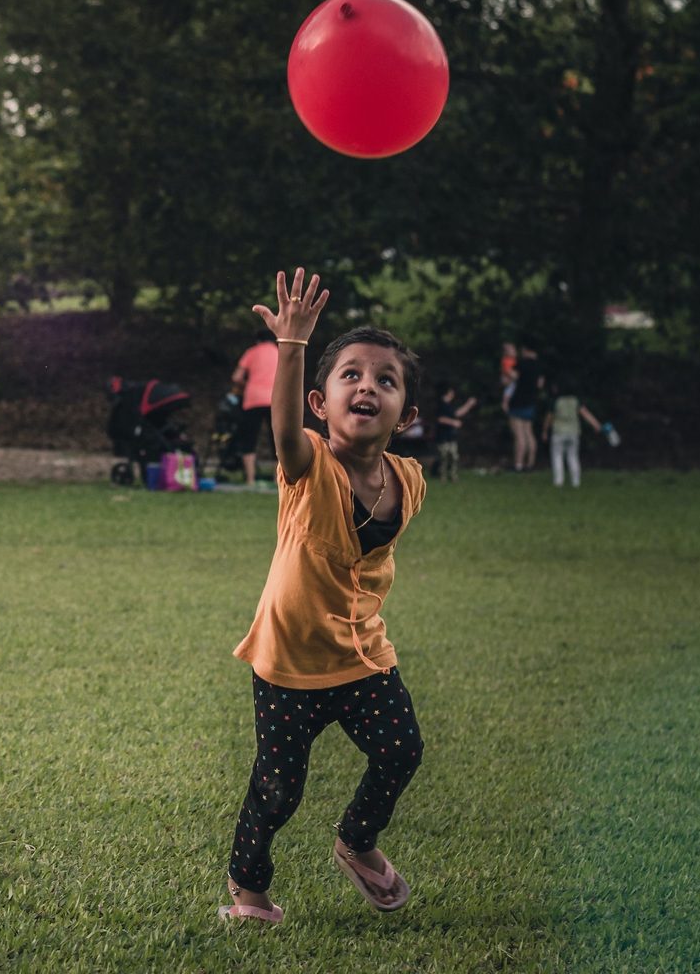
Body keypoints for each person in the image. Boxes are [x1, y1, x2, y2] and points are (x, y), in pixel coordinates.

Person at [221, 268, 427, 924]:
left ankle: (357, 842)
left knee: (402, 750)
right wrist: (293, 344)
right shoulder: (307, 466)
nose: (368, 386)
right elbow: (280, 433)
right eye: (352, 377)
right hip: (289, 664)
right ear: (319, 404)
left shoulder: (410, 480)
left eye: (385, 380)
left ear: (408, 413)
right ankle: (249, 893)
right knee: (278, 792)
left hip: (362, 654)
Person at [231, 329, 278, 486]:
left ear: (258, 340)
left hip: (253, 399)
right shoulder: (279, 352)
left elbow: (236, 377)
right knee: (276, 440)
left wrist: (248, 384)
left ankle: (250, 480)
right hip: (275, 399)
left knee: (249, 438)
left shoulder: (252, 352)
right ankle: (278, 480)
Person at [541, 379, 604, 488]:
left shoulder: (556, 401)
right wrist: (596, 425)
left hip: (558, 433)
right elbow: (586, 414)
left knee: (557, 456)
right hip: (573, 432)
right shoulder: (575, 401)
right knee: (573, 456)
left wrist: (545, 431)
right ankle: (576, 481)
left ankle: (558, 481)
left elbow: (549, 418)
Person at [506, 342, 544, 472]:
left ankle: (518, 464)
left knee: (519, 435)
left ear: (526, 350)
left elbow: (511, 376)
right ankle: (530, 463)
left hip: (518, 402)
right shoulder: (539, 366)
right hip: (531, 402)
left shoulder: (522, 364)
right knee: (529, 433)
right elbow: (540, 384)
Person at [433, 383, 477, 483]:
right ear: (447, 392)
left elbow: (457, 413)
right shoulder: (441, 404)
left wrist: (469, 405)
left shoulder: (449, 405)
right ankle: (442, 476)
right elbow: (440, 419)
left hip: (451, 437)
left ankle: (453, 476)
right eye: (451, 392)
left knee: (454, 457)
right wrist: (454, 422)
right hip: (442, 437)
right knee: (444, 457)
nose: (453, 394)